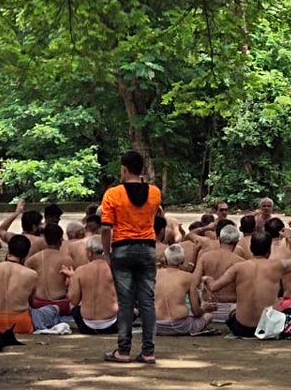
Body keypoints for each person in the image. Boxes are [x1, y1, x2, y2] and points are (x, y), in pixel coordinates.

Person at [100, 150, 163, 363]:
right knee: (147, 300)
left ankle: (123, 350)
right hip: (147, 248)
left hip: (122, 248)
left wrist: (107, 252)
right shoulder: (154, 192)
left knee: (126, 301)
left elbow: (106, 227)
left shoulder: (113, 194)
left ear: (124, 168)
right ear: (142, 170)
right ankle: (148, 351)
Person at [203, 231, 291, 338]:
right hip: (269, 327)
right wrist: (290, 238)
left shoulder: (238, 267)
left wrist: (208, 279)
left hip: (242, 329)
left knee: (233, 307)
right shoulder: (277, 265)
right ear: (269, 250)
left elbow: (214, 287)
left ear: (251, 249)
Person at [0, 234, 60, 334]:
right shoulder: (31, 274)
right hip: (21, 324)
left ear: (8, 251)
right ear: (25, 255)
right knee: (54, 309)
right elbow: (31, 303)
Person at [155, 244, 216, 336]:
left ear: (165, 259)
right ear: (183, 260)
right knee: (208, 316)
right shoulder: (188, 277)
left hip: (155, 326)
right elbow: (196, 311)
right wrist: (204, 309)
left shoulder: (155, 274)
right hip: (179, 326)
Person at [65, 237, 119, 335]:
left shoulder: (80, 271)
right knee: (133, 310)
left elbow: (73, 300)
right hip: (113, 326)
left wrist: (73, 278)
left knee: (74, 307)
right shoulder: (116, 270)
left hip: (86, 326)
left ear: (90, 253)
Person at [25, 224, 74, 316]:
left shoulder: (34, 258)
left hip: (37, 304)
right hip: (60, 305)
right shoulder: (66, 259)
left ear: (45, 240)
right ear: (61, 240)